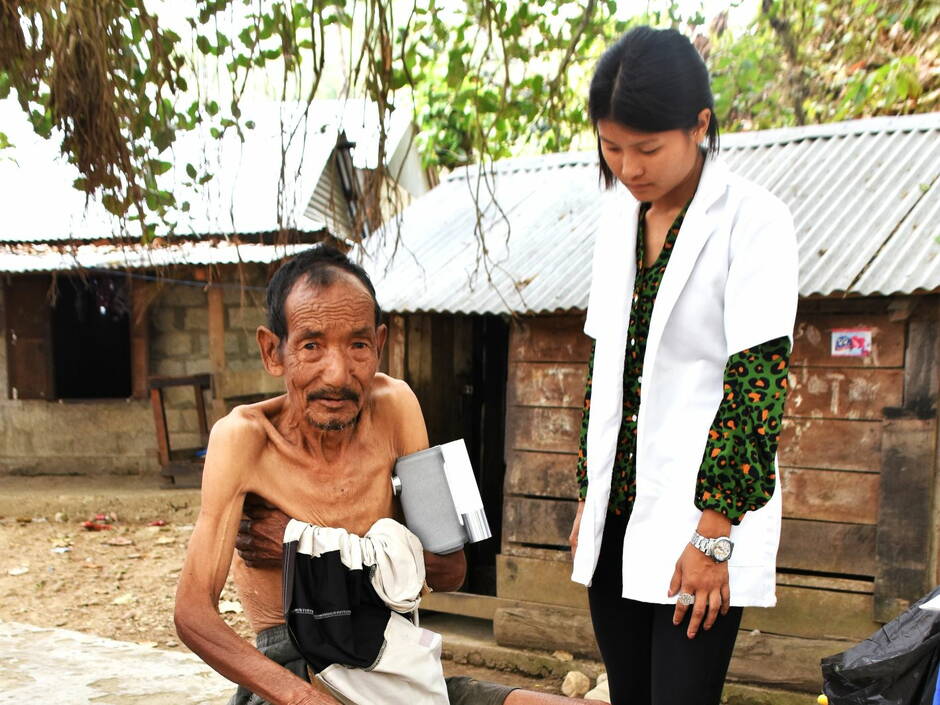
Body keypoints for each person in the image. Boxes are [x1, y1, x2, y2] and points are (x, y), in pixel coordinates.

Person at [175, 246, 600, 705]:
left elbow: (451, 569)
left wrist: (304, 544)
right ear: (272, 351)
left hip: (395, 664)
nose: (337, 374)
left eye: (357, 345)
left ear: (379, 344)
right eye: (311, 345)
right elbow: (193, 612)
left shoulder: (396, 406)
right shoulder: (243, 439)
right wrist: (302, 700)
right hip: (298, 670)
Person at [567, 26, 798, 705]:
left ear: (699, 124)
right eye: (612, 147)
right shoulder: (617, 214)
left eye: (646, 147)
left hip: (700, 521)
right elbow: (604, 358)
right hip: (619, 510)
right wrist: (589, 488)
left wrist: (715, 532)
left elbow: (757, 384)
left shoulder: (754, 220)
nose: (629, 166)